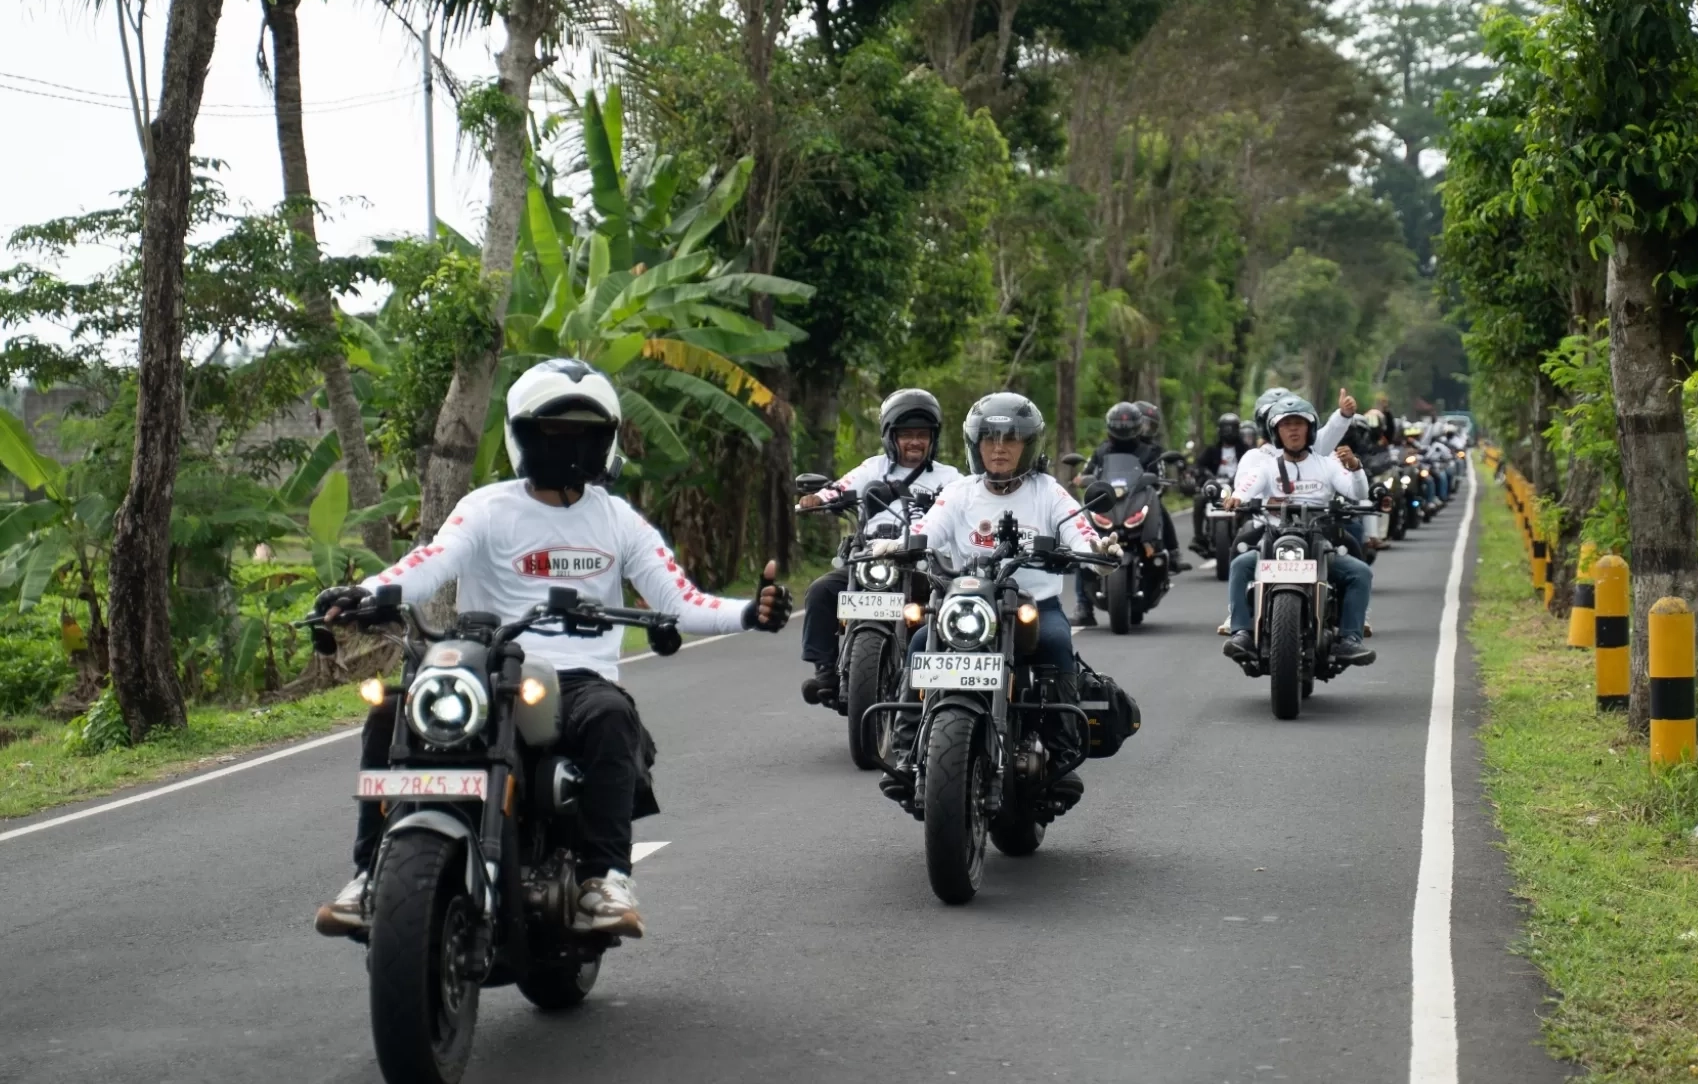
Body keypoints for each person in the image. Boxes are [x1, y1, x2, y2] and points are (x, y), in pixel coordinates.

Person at [312, 359, 791, 941]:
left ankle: (604, 878)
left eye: (582, 434)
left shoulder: (619, 520)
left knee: (614, 716)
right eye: (553, 432)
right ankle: (368, 875)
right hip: (485, 667)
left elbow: (680, 599)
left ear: (603, 442)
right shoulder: (486, 508)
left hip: (577, 678)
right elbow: (429, 562)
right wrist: (364, 594)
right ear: (523, 436)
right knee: (390, 711)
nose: (568, 446)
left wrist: (750, 612)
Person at [879, 393, 1109, 800]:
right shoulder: (960, 492)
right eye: (989, 439)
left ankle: (1062, 752)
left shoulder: (1047, 491)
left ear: (1029, 445)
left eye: (1010, 439)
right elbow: (928, 529)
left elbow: (1080, 530)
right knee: (918, 642)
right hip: (967, 603)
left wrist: (1098, 553)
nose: (999, 448)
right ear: (975, 445)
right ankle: (905, 750)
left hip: (1032, 605)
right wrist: (898, 546)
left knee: (1056, 641)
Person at [794, 388, 960, 707]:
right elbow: (839, 489)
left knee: (952, 607)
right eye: (906, 434)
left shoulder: (950, 478)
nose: (914, 442)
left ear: (933, 438)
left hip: (922, 565)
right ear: (890, 436)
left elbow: (966, 506)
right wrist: (818, 499)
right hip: (871, 562)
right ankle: (826, 671)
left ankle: (942, 683)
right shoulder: (873, 468)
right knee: (821, 591)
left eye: (922, 435)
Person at [1221, 395, 1376, 669]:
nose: (1293, 430)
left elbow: (1357, 493)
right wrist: (1236, 498)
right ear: (1276, 432)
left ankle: (1350, 639)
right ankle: (1242, 632)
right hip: (1275, 538)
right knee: (1240, 565)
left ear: (1310, 429)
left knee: (1360, 572)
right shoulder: (1266, 466)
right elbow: (1247, 488)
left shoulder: (1328, 464)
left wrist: (1355, 468)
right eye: (1286, 425)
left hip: (1318, 539)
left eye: (1299, 424)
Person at [1071, 402, 1186, 622]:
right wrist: (1081, 479)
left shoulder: (1150, 451)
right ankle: (1082, 605)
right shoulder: (1102, 450)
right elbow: (1087, 471)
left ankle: (1173, 550)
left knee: (1160, 508)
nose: (1122, 430)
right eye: (1118, 426)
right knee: (1084, 548)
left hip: (1137, 502)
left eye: (1127, 426)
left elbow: (1159, 479)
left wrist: (1158, 484)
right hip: (1107, 505)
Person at [1189, 412, 1249, 554]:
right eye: (1225, 428)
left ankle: (1249, 534)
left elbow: (1254, 466)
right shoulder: (1212, 450)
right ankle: (1199, 538)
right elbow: (1199, 465)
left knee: (1251, 504)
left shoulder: (1245, 450)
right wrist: (1200, 472)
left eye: (1232, 428)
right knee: (1199, 500)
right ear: (1220, 430)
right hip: (1215, 487)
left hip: (1238, 487)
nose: (1228, 432)